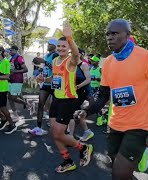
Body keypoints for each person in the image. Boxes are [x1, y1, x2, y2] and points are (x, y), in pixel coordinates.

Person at [74, 19, 148, 180]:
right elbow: (103, 95)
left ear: (127, 35)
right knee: (117, 167)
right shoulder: (109, 63)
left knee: (118, 175)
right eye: (107, 34)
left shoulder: (146, 57)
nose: (109, 37)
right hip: (115, 124)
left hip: (139, 126)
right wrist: (86, 111)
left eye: (114, 33)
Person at [37, 22, 93, 173]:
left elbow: (76, 54)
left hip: (68, 100)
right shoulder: (55, 61)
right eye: (59, 46)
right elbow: (55, 78)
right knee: (55, 134)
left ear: (68, 48)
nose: (61, 48)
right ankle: (67, 161)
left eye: (64, 46)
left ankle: (83, 147)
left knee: (58, 133)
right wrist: (44, 80)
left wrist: (70, 38)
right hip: (57, 98)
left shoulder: (71, 61)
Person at [29, 39, 59, 136]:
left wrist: (44, 62)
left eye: (50, 44)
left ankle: (59, 127)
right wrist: (40, 74)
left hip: (54, 84)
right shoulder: (47, 55)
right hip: (45, 84)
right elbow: (46, 69)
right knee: (41, 105)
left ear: (54, 46)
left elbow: (56, 69)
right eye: (48, 43)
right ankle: (38, 128)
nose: (48, 45)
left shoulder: (55, 55)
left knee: (56, 106)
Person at [68, 48, 93, 141]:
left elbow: (88, 79)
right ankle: (86, 131)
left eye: (74, 53)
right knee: (76, 113)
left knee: (71, 112)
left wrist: (77, 86)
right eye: (71, 53)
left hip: (82, 92)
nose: (72, 55)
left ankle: (71, 136)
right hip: (73, 92)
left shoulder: (83, 65)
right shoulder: (71, 65)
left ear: (80, 55)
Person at [8, 45, 30, 119]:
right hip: (10, 79)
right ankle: (15, 114)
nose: (10, 51)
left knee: (14, 97)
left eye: (12, 50)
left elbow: (26, 69)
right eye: (10, 50)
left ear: (16, 50)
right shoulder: (10, 59)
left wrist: (15, 71)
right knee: (9, 98)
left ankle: (27, 104)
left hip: (17, 80)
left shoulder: (19, 58)